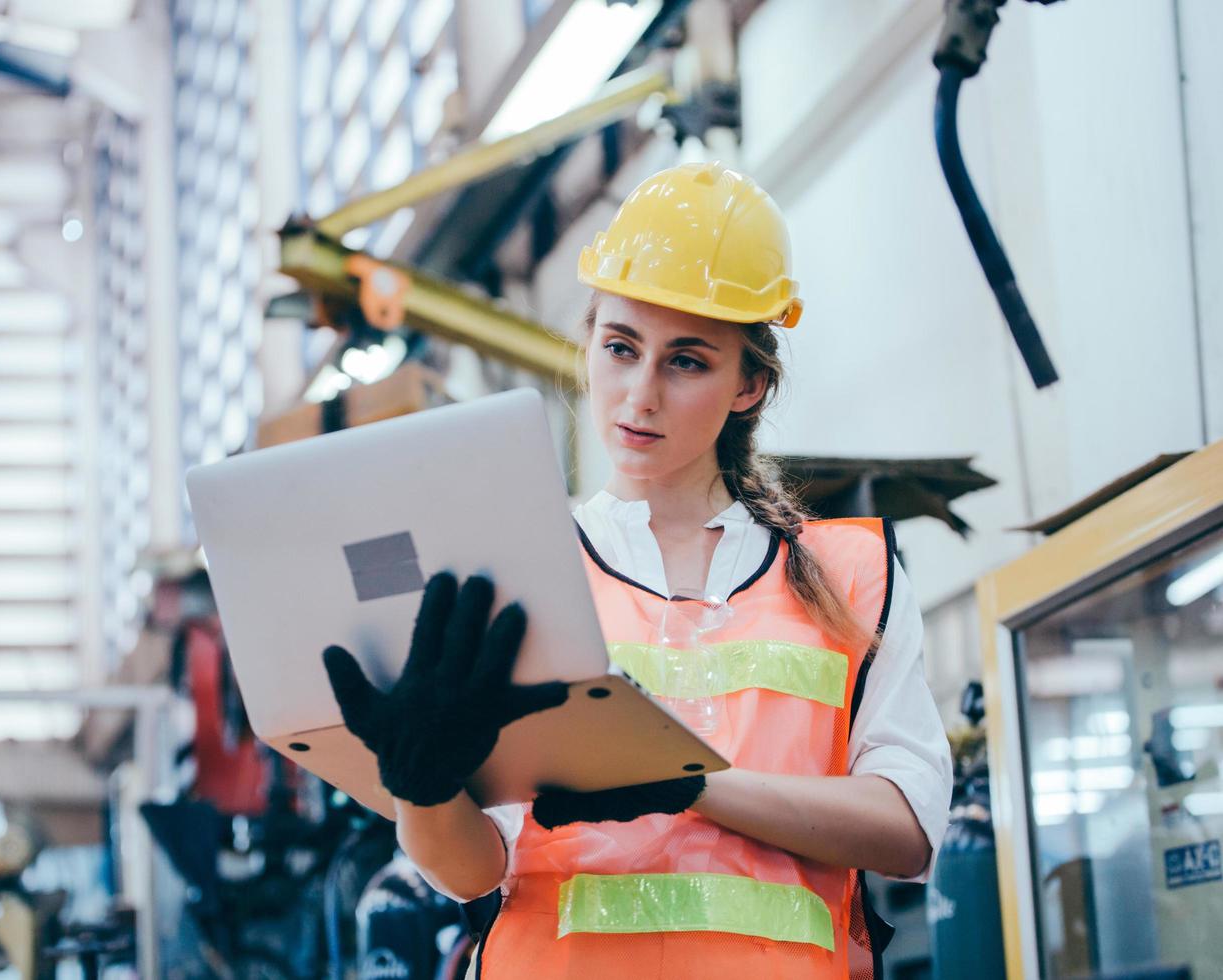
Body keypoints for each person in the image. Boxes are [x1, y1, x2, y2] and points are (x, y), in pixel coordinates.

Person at [322, 163, 952, 979]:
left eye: (686, 361)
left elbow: (907, 830)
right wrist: (422, 785)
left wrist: (689, 784)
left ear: (749, 384)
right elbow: (473, 870)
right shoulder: (518, 569)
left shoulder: (853, 574)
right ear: (589, 346)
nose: (639, 394)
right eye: (620, 348)